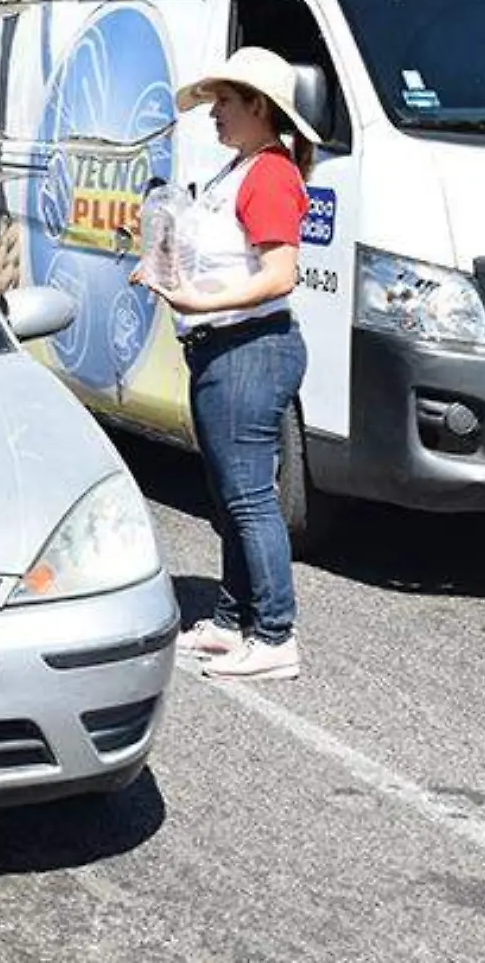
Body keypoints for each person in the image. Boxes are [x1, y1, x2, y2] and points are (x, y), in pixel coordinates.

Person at [131, 46, 315, 681]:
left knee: (248, 497)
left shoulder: (268, 173)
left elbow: (279, 275)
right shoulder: (240, 170)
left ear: (260, 107)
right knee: (231, 494)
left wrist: (200, 301)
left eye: (226, 102)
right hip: (226, 349)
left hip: (249, 350)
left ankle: (274, 635)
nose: (214, 114)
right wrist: (161, 269)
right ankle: (235, 620)